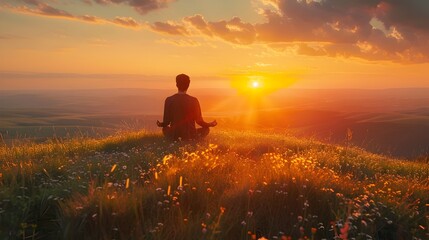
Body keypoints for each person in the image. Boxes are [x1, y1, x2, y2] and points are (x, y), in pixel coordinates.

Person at [157, 74, 217, 140]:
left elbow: (166, 122)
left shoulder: (169, 100)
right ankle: (194, 139)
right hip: (190, 135)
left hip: (174, 135)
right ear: (188, 85)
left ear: (176, 85)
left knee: (165, 129)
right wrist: (210, 124)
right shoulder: (194, 100)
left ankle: (173, 138)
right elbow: (199, 121)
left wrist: (160, 124)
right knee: (206, 129)